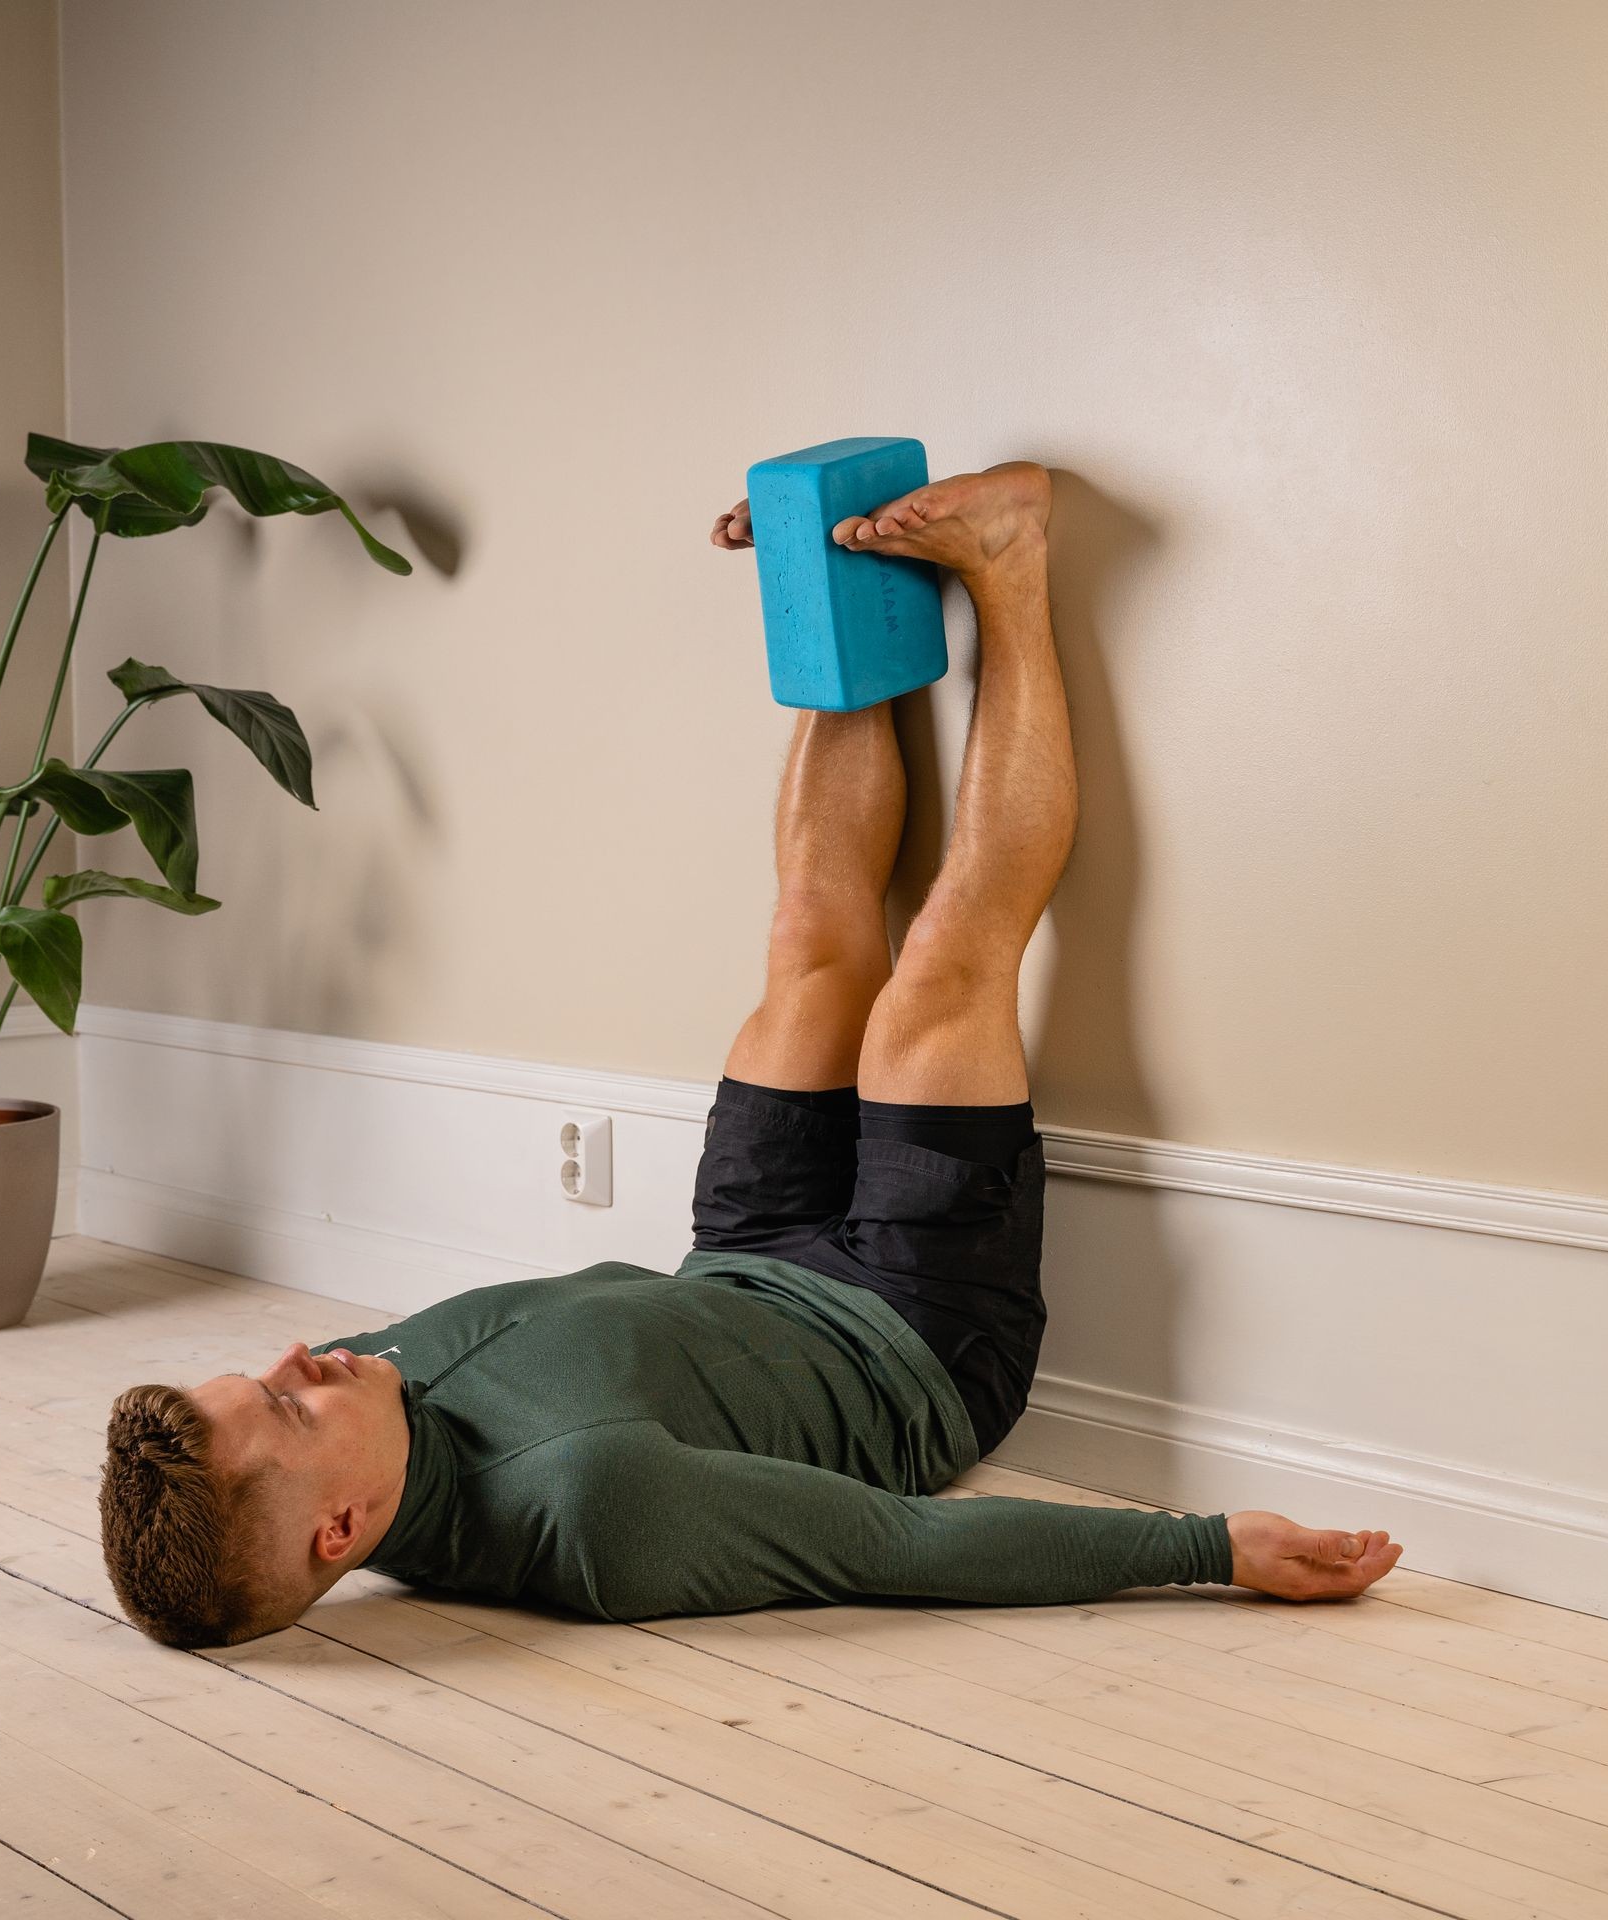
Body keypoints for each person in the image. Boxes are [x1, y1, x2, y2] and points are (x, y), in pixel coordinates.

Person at [100, 459, 1403, 1649]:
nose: (293, 1359)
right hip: (915, 1335)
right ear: (341, 1533)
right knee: (931, 986)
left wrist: (802, 585)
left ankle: (837, 582)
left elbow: (604, 1339)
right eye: (280, 1407)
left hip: (739, 1254)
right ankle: (1009, 557)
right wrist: (1205, 1547)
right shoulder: (590, 1514)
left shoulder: (364, 1393)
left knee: (805, 948)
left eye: (258, 1373)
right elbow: (902, 1545)